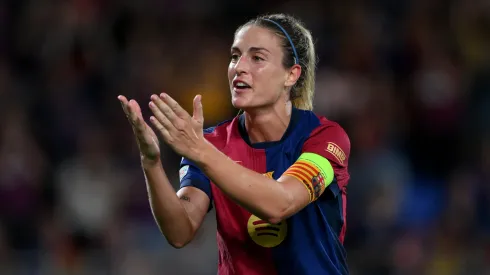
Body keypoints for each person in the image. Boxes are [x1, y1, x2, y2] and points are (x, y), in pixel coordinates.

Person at [118, 13, 350, 275]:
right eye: (234, 56)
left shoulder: (324, 137)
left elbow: (280, 203)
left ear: (291, 75)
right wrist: (151, 163)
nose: (239, 67)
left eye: (257, 58)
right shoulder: (210, 142)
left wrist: (201, 152)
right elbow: (180, 232)